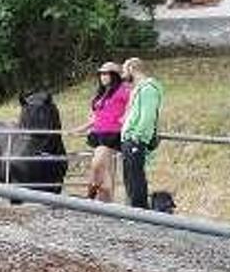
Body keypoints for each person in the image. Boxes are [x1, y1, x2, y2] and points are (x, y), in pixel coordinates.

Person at [70, 62, 130, 202]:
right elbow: (95, 118)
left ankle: (90, 194)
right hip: (98, 133)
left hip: (113, 134)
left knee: (97, 164)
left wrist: (124, 120)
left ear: (114, 75)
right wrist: (80, 129)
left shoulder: (123, 90)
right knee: (104, 171)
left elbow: (133, 107)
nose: (102, 77)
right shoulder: (102, 93)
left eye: (106, 73)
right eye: (101, 74)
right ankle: (106, 204)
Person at [120, 57, 163, 209]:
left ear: (132, 68)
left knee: (136, 178)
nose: (124, 75)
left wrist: (136, 136)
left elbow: (147, 116)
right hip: (129, 139)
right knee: (129, 178)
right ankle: (133, 210)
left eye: (125, 71)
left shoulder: (148, 89)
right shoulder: (140, 89)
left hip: (136, 140)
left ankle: (139, 211)